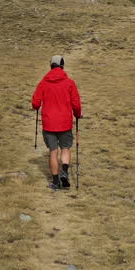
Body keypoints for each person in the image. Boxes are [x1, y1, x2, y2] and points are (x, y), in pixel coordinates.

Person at [31, 54, 82, 190]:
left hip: (49, 124)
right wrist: (77, 115)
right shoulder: (69, 83)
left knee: (53, 152)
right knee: (65, 148)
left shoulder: (43, 83)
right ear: (62, 66)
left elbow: (35, 103)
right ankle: (64, 172)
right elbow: (76, 103)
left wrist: (37, 106)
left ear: (50, 66)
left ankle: (55, 182)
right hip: (65, 123)